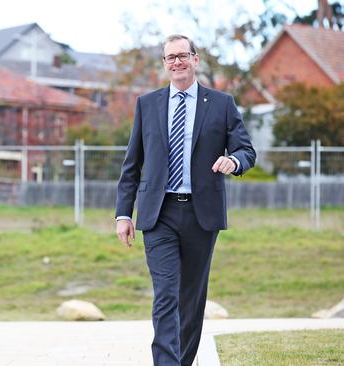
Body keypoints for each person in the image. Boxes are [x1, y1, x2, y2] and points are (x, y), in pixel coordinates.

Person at [115, 34, 255, 366]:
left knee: (190, 300)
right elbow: (132, 164)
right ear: (164, 64)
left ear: (195, 59)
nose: (176, 62)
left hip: (200, 214)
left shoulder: (221, 104)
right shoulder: (147, 104)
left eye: (182, 56)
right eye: (170, 57)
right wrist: (123, 213)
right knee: (165, 296)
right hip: (158, 214)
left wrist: (233, 161)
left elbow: (246, 149)